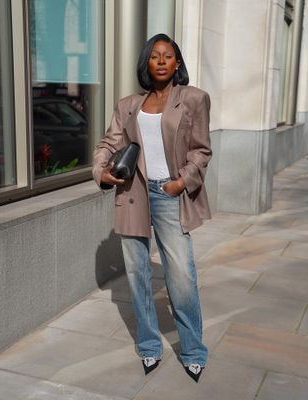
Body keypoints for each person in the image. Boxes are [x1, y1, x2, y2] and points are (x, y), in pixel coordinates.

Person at [92, 33, 212, 382]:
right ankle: (148, 347)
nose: (161, 60)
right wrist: (101, 171)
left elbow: (202, 150)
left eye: (168, 55)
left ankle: (192, 351)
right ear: (146, 63)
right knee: (138, 276)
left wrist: (181, 181)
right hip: (133, 194)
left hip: (170, 195)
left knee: (181, 277)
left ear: (177, 63)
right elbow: (107, 142)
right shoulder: (128, 104)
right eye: (154, 56)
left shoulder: (193, 99)